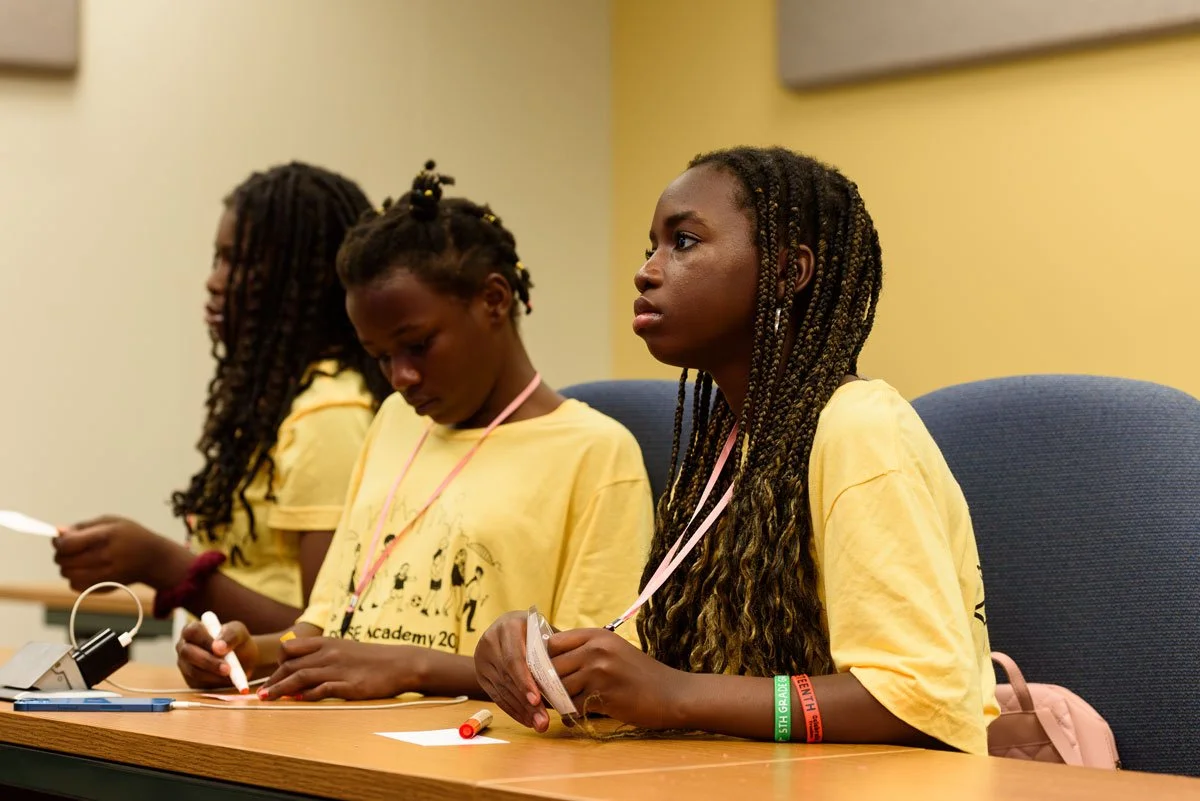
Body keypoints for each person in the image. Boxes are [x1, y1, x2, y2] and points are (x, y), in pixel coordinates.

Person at [475, 146, 999, 755]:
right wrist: (546, 661)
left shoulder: (858, 428)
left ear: (787, 272)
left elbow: (917, 699)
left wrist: (673, 695)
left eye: (685, 242)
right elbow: (667, 669)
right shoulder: (724, 447)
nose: (647, 271)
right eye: (650, 247)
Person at [174, 161, 654, 702]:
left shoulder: (596, 453)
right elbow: (327, 624)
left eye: (418, 344)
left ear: (494, 300)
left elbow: (588, 676)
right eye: (380, 357)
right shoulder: (395, 422)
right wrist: (254, 653)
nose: (401, 377)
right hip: (344, 741)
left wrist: (410, 669)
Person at [53, 163, 392, 633]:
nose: (215, 281)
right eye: (218, 259)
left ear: (304, 280)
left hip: (296, 704)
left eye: (240, 263)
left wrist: (164, 564)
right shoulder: (279, 404)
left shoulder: (331, 415)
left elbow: (330, 635)